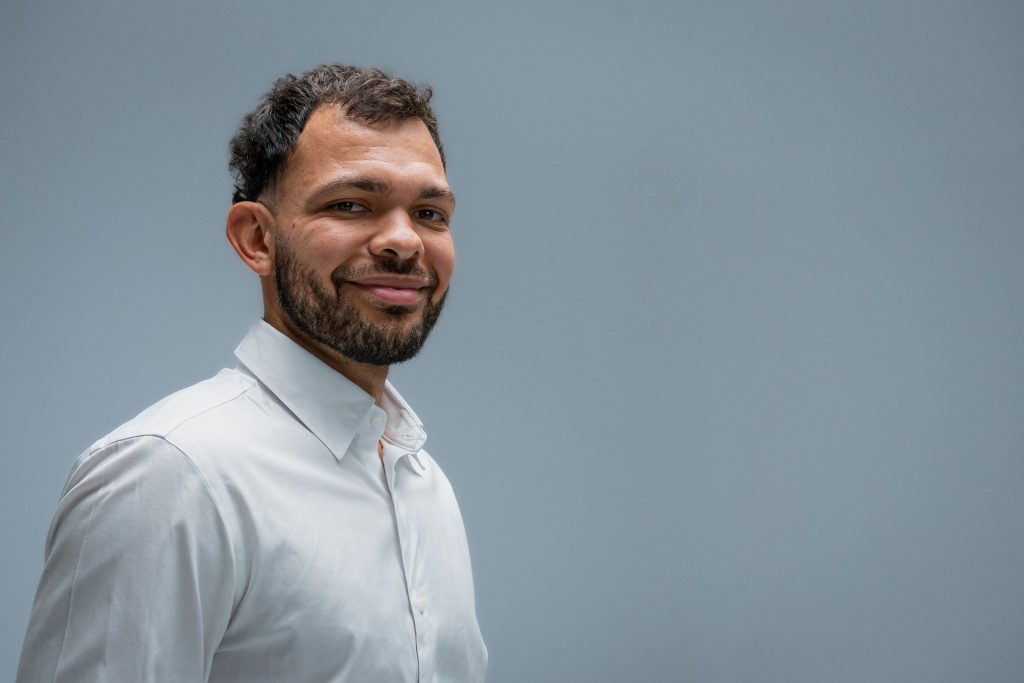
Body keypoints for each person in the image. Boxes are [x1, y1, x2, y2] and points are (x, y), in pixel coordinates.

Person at [17, 64, 487, 683]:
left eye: (430, 213)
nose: (404, 242)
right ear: (256, 239)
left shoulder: (422, 483)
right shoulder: (169, 475)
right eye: (351, 204)